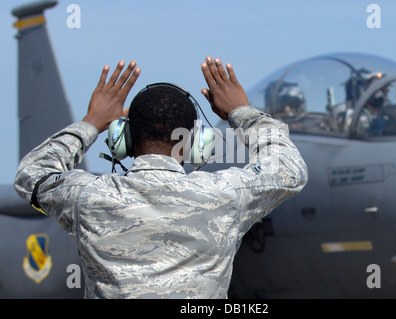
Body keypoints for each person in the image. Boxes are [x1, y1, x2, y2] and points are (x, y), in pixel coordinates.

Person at [14, 57, 308, 298]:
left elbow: (32, 173)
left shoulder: (89, 197)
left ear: (123, 140)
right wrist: (242, 114)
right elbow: (289, 170)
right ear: (195, 144)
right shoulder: (226, 195)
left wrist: (92, 122)